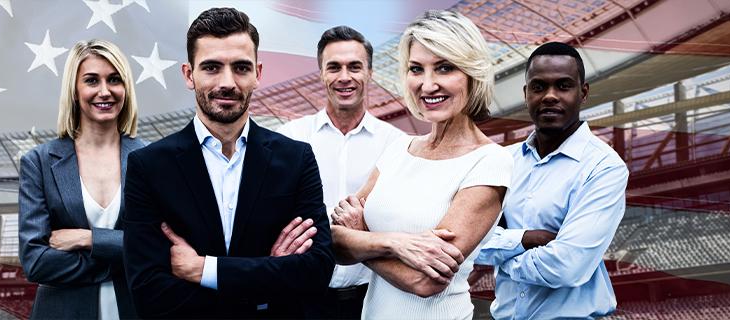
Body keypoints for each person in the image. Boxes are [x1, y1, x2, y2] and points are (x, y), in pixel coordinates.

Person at [122, 7, 334, 318]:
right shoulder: (149, 166)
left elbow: (316, 270)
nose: (228, 82)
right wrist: (269, 274)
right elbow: (149, 291)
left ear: (258, 74)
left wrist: (204, 269)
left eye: (241, 68)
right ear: (188, 74)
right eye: (211, 67)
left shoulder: (296, 159)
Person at [329, 10, 512, 319]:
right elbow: (334, 240)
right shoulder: (398, 149)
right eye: (416, 69)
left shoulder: (490, 161)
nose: (427, 85)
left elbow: (425, 281)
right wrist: (396, 244)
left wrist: (362, 236)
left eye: (444, 68)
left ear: (472, 73)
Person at [474, 42, 629, 319]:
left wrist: (503, 253)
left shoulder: (604, 167)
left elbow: (567, 266)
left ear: (583, 93)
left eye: (563, 86)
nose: (549, 96)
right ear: (526, 94)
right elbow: (469, 242)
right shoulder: (502, 162)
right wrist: (525, 239)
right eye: (538, 87)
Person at [276, 25, 404, 319]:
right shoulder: (290, 138)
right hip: (303, 299)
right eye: (334, 67)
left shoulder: (396, 144)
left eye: (355, 67)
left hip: (373, 299)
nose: (344, 77)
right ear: (321, 73)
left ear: (370, 73)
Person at [18, 39, 144, 319]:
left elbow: (160, 248)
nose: (105, 91)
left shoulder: (152, 160)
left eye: (114, 79)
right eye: (91, 80)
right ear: (74, 91)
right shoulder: (38, 163)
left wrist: (90, 239)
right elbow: (36, 261)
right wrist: (126, 257)